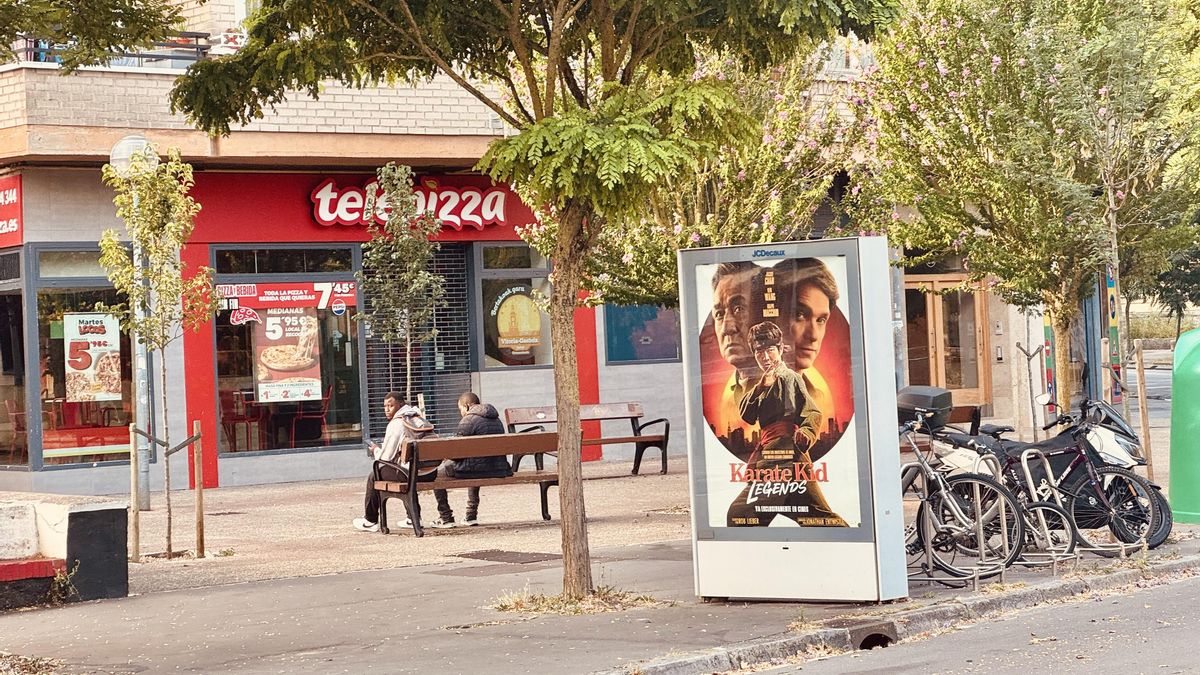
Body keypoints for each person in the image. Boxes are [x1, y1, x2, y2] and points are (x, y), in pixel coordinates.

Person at [727, 321, 846, 527]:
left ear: (780, 349)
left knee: (741, 513)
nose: (765, 357)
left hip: (788, 458)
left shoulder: (790, 378)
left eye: (770, 350)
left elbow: (811, 411)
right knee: (819, 518)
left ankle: (852, 548)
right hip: (772, 458)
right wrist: (760, 388)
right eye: (759, 352)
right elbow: (747, 415)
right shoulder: (762, 382)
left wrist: (806, 433)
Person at [352, 392, 436, 532]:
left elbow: (385, 458)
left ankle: (370, 520)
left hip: (413, 474)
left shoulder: (396, 424)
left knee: (374, 475)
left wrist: (375, 450)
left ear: (401, 405)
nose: (387, 409)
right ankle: (412, 518)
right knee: (407, 467)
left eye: (391, 405)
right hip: (430, 472)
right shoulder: (418, 417)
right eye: (385, 406)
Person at [431, 392, 512, 527]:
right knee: (476, 464)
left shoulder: (468, 420)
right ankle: (471, 515)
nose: (461, 413)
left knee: (436, 475)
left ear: (467, 406)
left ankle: (445, 517)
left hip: (475, 470)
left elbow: (458, 453)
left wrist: (446, 457)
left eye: (460, 409)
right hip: (498, 468)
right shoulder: (496, 419)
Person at [708, 261, 763, 457]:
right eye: (720, 314)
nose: (727, 328)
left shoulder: (792, 384)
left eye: (739, 308)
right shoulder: (726, 395)